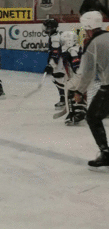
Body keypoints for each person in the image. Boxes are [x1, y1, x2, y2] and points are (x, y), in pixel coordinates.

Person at [68, 11, 109, 168]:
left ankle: (105, 153)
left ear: (89, 28)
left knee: (92, 117)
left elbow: (87, 73)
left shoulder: (92, 45)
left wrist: (79, 92)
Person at [60, 31, 86, 126]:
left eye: (63, 41)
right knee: (73, 89)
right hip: (79, 75)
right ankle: (78, 109)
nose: (62, 43)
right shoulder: (74, 48)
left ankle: (76, 112)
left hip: (79, 75)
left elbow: (76, 64)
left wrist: (77, 72)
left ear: (68, 41)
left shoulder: (72, 50)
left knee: (69, 89)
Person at [43, 18, 65, 108]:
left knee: (59, 80)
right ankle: (65, 99)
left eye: (47, 27)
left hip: (60, 63)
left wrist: (51, 65)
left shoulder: (55, 37)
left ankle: (65, 99)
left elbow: (55, 52)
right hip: (60, 62)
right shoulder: (54, 35)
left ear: (52, 28)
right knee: (57, 80)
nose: (45, 29)